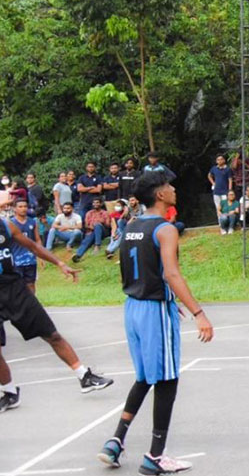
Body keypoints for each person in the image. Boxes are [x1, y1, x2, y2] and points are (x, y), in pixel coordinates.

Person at [96, 172, 213, 474]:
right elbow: (171, 274)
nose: (173, 188)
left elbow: (133, 271)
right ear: (160, 194)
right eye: (169, 186)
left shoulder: (131, 226)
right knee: (167, 379)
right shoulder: (165, 229)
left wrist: (167, 299)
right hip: (153, 309)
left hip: (133, 307)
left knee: (145, 376)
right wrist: (199, 313)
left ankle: (115, 441)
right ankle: (155, 456)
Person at [0, 209, 112, 415]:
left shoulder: (6, 225)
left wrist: (59, 263)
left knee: (51, 334)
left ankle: (84, 376)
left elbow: (33, 246)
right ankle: (9, 392)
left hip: (14, 288)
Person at [9, 199, 41, 293]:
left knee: (31, 284)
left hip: (30, 259)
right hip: (15, 260)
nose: (23, 209)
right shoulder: (10, 223)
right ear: (14, 209)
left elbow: (37, 239)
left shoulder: (32, 222)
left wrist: (40, 256)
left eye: (25, 206)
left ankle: (31, 302)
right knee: (17, 285)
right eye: (20, 206)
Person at [73, 198, 112, 263]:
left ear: (101, 204)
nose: (95, 204)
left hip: (103, 231)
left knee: (97, 225)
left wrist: (100, 223)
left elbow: (108, 225)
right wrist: (92, 227)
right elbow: (86, 225)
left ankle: (97, 245)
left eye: (97, 202)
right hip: (91, 231)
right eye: (94, 203)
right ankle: (78, 255)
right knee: (87, 240)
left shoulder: (105, 213)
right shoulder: (89, 213)